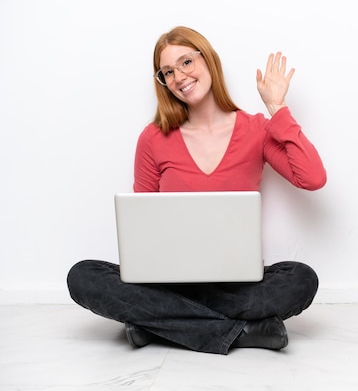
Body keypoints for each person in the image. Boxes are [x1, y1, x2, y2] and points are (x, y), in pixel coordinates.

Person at [66, 26, 326, 355]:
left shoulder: (256, 129)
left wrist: (278, 107)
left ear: (208, 59)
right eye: (168, 72)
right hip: (168, 280)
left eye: (186, 62)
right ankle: (244, 331)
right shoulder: (153, 138)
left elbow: (312, 178)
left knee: (301, 278)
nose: (179, 76)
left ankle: (156, 324)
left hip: (235, 281)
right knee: (83, 276)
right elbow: (142, 225)